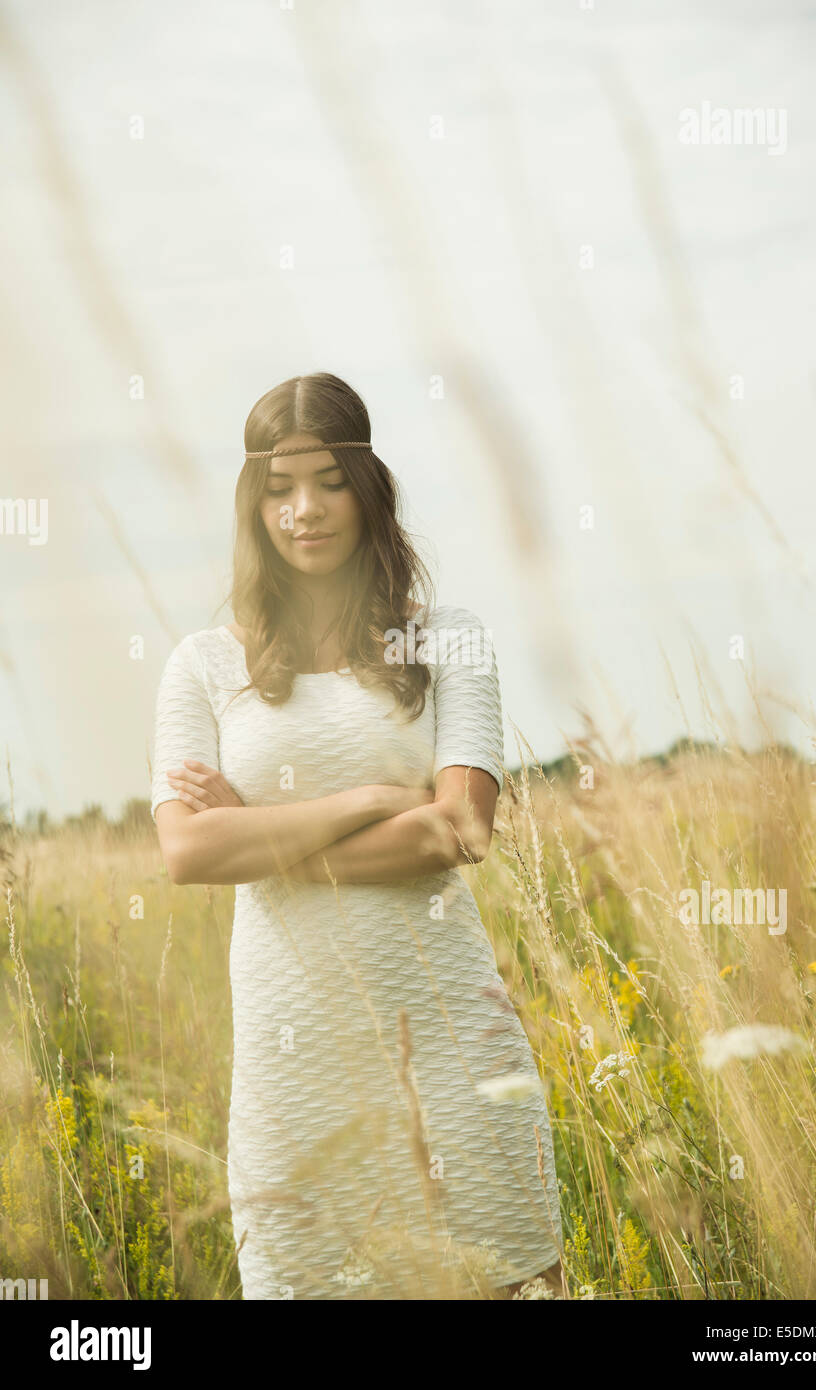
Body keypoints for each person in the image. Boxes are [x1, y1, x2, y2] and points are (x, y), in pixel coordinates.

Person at [150, 371, 564, 1299]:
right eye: (279, 488)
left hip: (455, 1051)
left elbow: (458, 829)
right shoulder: (204, 666)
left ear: (368, 487)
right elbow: (187, 853)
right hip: (292, 1073)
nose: (305, 510)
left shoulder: (446, 640)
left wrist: (258, 841)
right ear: (252, 506)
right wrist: (364, 802)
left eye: (330, 481)